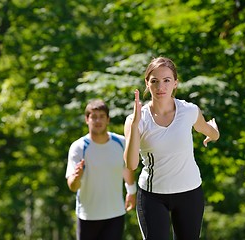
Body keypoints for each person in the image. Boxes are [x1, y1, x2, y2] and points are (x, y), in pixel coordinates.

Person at [124, 57, 220, 240]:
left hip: (190, 192)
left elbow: (207, 129)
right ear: (147, 83)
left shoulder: (189, 111)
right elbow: (131, 164)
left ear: (175, 83)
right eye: (155, 81)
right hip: (152, 196)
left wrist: (214, 133)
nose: (161, 87)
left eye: (167, 80)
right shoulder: (136, 119)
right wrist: (135, 124)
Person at [66, 99, 136, 240]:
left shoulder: (121, 143)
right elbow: (73, 186)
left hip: (115, 214)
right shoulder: (78, 147)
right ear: (87, 119)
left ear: (108, 119)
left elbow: (127, 169)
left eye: (102, 116)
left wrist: (132, 192)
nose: (98, 120)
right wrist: (77, 176)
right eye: (93, 116)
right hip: (88, 216)